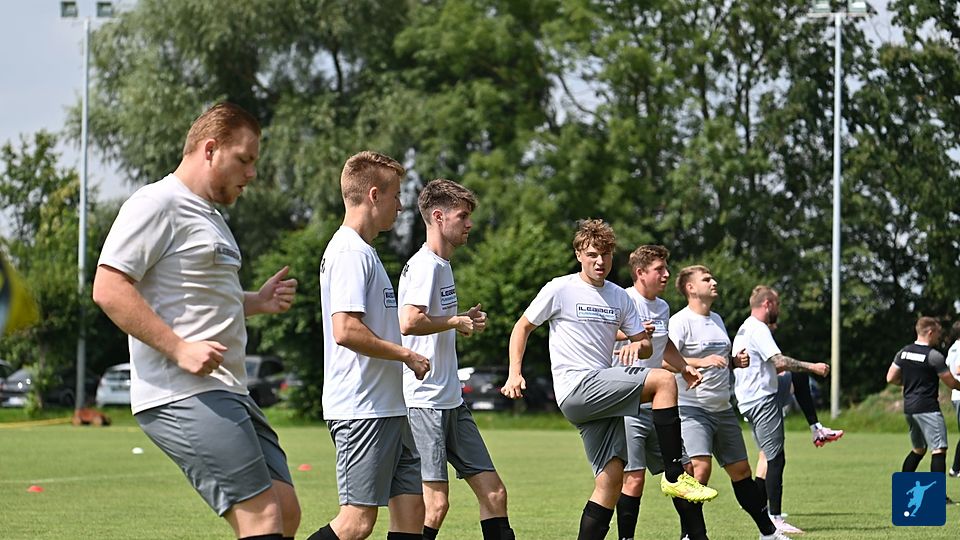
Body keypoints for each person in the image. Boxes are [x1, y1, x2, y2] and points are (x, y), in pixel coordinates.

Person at [92, 102, 301, 540]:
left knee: (285, 511)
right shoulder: (157, 203)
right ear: (210, 149)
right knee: (262, 518)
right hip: (183, 392)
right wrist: (179, 348)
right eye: (244, 159)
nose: (252, 173)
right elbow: (109, 288)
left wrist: (256, 302)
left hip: (229, 388)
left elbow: (197, 297)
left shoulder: (211, 217)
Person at [501, 219, 718, 540]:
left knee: (611, 481)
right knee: (664, 381)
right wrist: (514, 372)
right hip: (577, 386)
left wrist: (638, 344)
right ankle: (675, 475)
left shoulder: (619, 296)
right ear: (578, 254)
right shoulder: (560, 288)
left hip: (601, 396)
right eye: (592, 254)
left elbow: (645, 346)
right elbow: (523, 327)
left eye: (605, 254)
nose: (599, 261)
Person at [311, 150, 431, 540]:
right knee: (356, 522)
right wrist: (406, 354)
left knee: (412, 512)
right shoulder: (348, 253)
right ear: (374, 195)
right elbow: (346, 330)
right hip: (361, 409)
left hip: (388, 408)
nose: (401, 206)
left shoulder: (364, 251)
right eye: (396, 196)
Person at [398, 178, 514, 540]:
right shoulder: (425, 266)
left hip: (451, 401)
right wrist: (452, 321)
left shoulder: (442, 265)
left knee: (494, 493)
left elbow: (429, 320)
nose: (469, 224)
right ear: (438, 217)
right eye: (462, 216)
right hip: (425, 403)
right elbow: (409, 321)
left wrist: (461, 319)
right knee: (434, 505)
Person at [670, 266, 789, 540]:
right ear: (690, 288)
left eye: (712, 277)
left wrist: (735, 362)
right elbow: (666, 360)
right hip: (691, 408)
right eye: (706, 279)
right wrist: (701, 361)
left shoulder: (717, 320)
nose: (714, 282)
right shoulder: (680, 321)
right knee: (699, 471)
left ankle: (768, 534)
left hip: (722, 409)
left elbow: (720, 361)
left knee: (742, 472)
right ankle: (689, 535)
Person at [614, 246, 710, 540]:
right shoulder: (622, 299)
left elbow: (664, 343)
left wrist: (683, 367)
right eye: (659, 269)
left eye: (666, 268)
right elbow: (598, 332)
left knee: (684, 471)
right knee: (634, 479)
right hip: (627, 403)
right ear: (640, 273)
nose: (667, 274)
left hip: (659, 404)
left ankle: (696, 536)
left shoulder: (663, 307)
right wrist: (630, 334)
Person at [732, 285, 831, 535]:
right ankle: (774, 518)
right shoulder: (758, 328)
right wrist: (813, 367)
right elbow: (780, 361)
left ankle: (816, 427)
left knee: (768, 456)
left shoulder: (745, 327)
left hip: (750, 398)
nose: (779, 309)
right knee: (776, 458)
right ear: (767, 304)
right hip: (762, 399)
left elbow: (769, 366)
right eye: (777, 304)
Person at [886, 316, 960, 505]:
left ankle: (903, 489)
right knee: (939, 448)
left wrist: (909, 384)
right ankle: (938, 497)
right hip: (928, 407)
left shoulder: (903, 352)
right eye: (938, 334)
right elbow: (951, 382)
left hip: (909, 407)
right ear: (930, 332)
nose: (939, 337)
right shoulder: (933, 356)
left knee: (919, 449)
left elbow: (890, 378)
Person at [946, 321, 960, 478]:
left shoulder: (953, 348)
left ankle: (956, 468)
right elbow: (958, 368)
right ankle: (955, 468)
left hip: (956, 395)